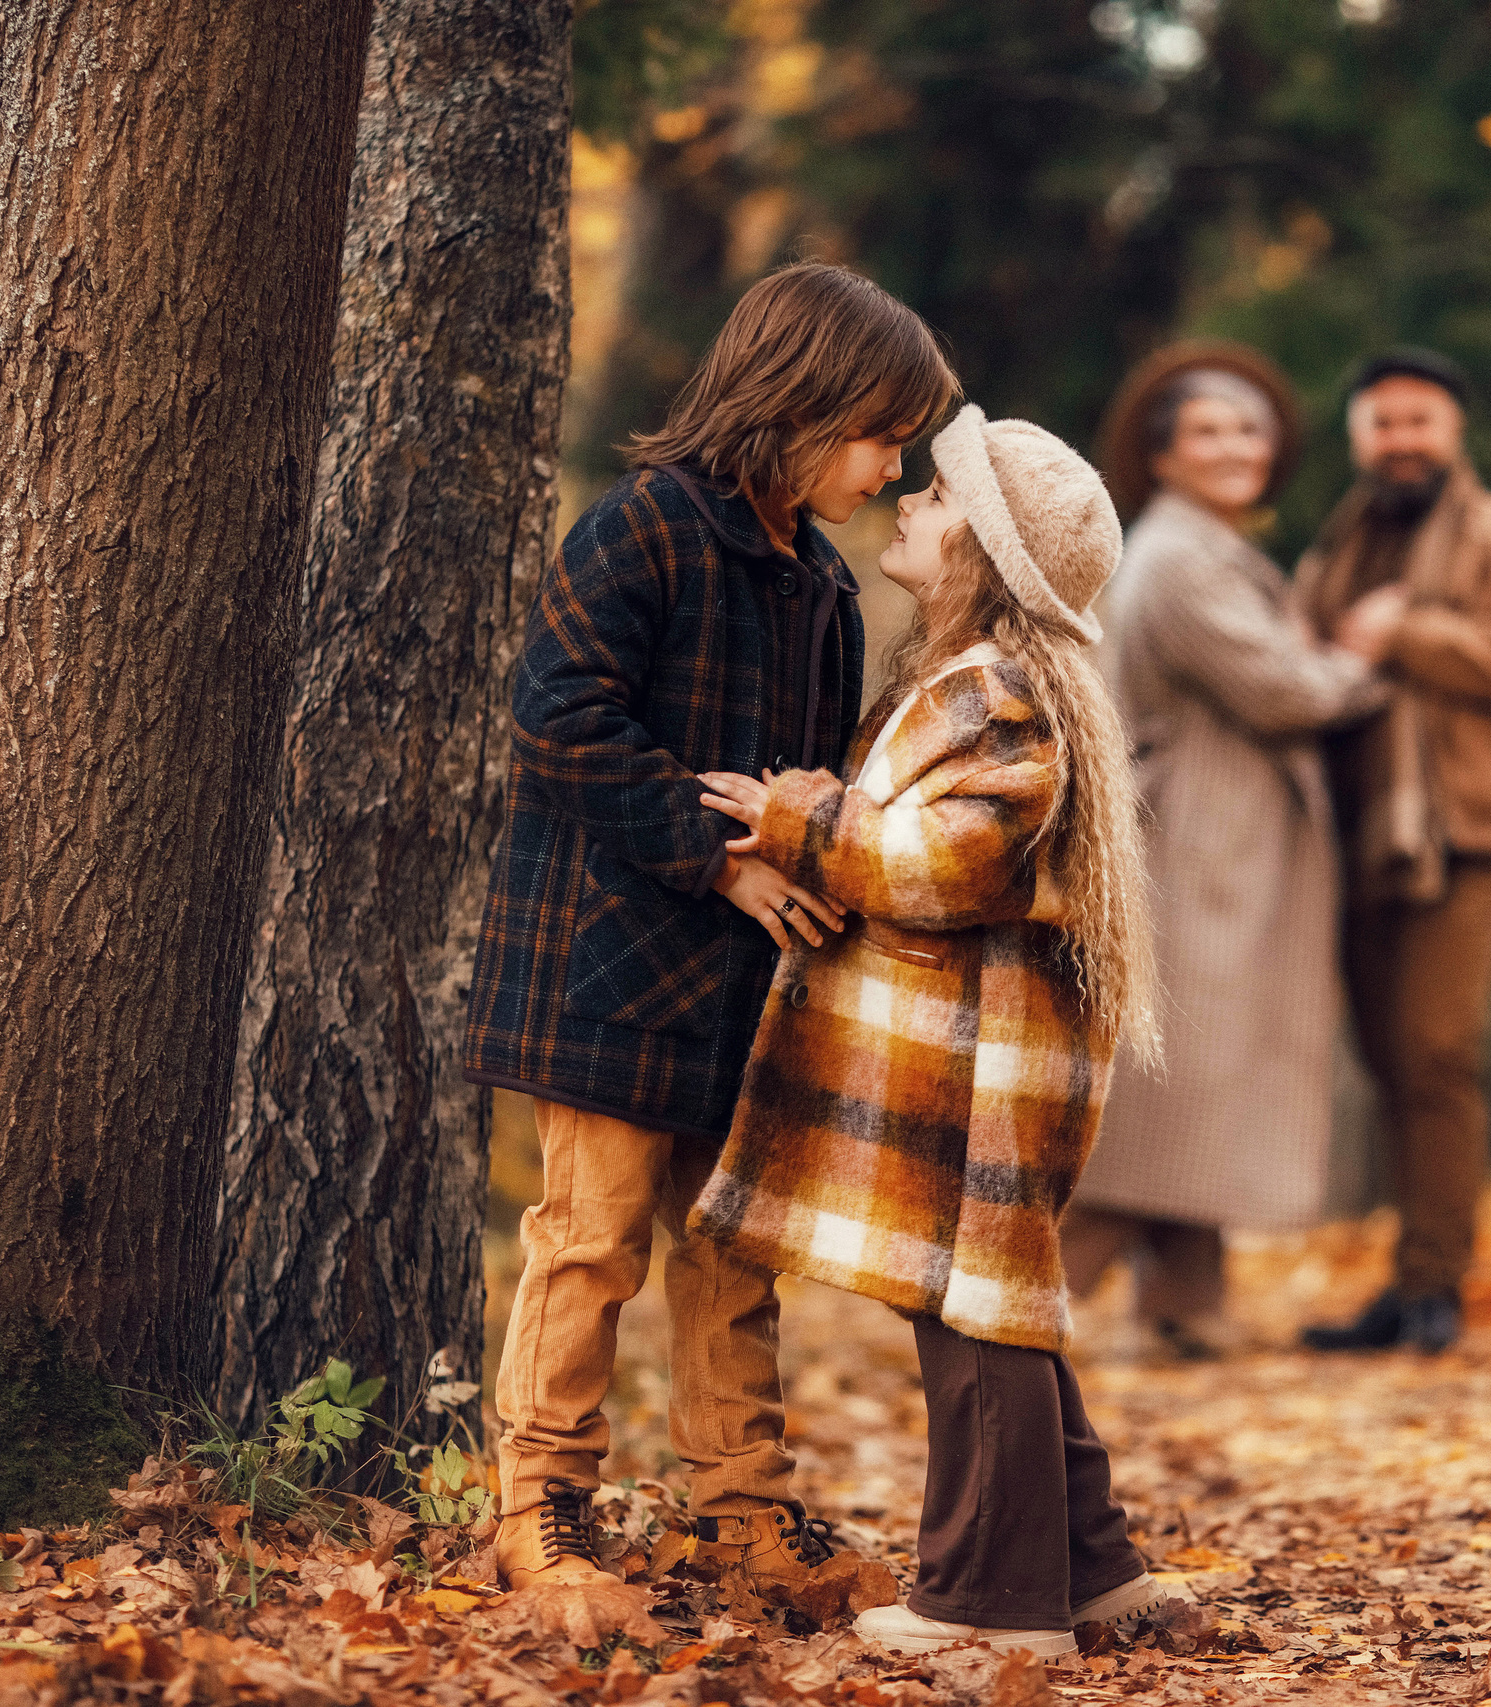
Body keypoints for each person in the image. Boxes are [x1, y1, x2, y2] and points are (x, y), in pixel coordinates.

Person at [460, 264, 958, 1592]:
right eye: (880, 435)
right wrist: (717, 857)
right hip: (610, 963)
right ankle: (540, 1509)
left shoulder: (823, 585)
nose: (892, 467)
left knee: (734, 1250)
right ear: (802, 403)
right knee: (591, 1238)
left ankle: (739, 1513)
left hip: (746, 983)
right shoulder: (644, 528)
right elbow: (558, 719)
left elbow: (802, 783)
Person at [689, 405, 1186, 1657]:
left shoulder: (998, 693)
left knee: (976, 1318)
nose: (910, 499)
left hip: (977, 1061)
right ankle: (1092, 1568)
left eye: (943, 495)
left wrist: (804, 820)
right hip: (963, 1049)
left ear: (986, 549)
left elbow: (948, 863)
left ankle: (990, 1605)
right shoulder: (977, 681)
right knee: (980, 1302)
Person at [1062, 342, 1401, 1359]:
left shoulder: (1202, 547)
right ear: (1161, 456)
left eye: (1250, 429)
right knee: (1170, 1087)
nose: (1236, 447)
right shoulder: (1177, 558)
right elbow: (1280, 689)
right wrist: (1359, 659)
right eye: (1207, 431)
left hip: (1222, 846)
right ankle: (1013, 1309)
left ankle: (1185, 1304)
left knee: (1200, 1079)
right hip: (1198, 850)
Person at [1293, 348, 1491, 1357]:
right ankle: (1408, 1278)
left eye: (1419, 421)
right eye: (1384, 423)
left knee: (1437, 1051)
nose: (1402, 441)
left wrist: (1408, 634)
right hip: (1358, 833)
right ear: (1358, 437)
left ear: (1454, 431)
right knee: (1388, 1060)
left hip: (1466, 830)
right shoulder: (1337, 550)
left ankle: (1435, 1288)